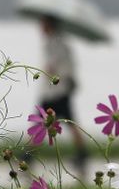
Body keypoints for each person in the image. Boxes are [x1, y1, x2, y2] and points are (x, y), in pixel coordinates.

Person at [38, 15, 88, 170]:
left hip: (57, 92)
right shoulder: (55, 42)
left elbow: (60, 67)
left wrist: (52, 70)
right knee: (69, 122)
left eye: (44, 24)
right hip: (56, 90)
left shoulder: (58, 43)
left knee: (42, 120)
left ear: (50, 25)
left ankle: (28, 153)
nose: (41, 28)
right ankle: (82, 153)